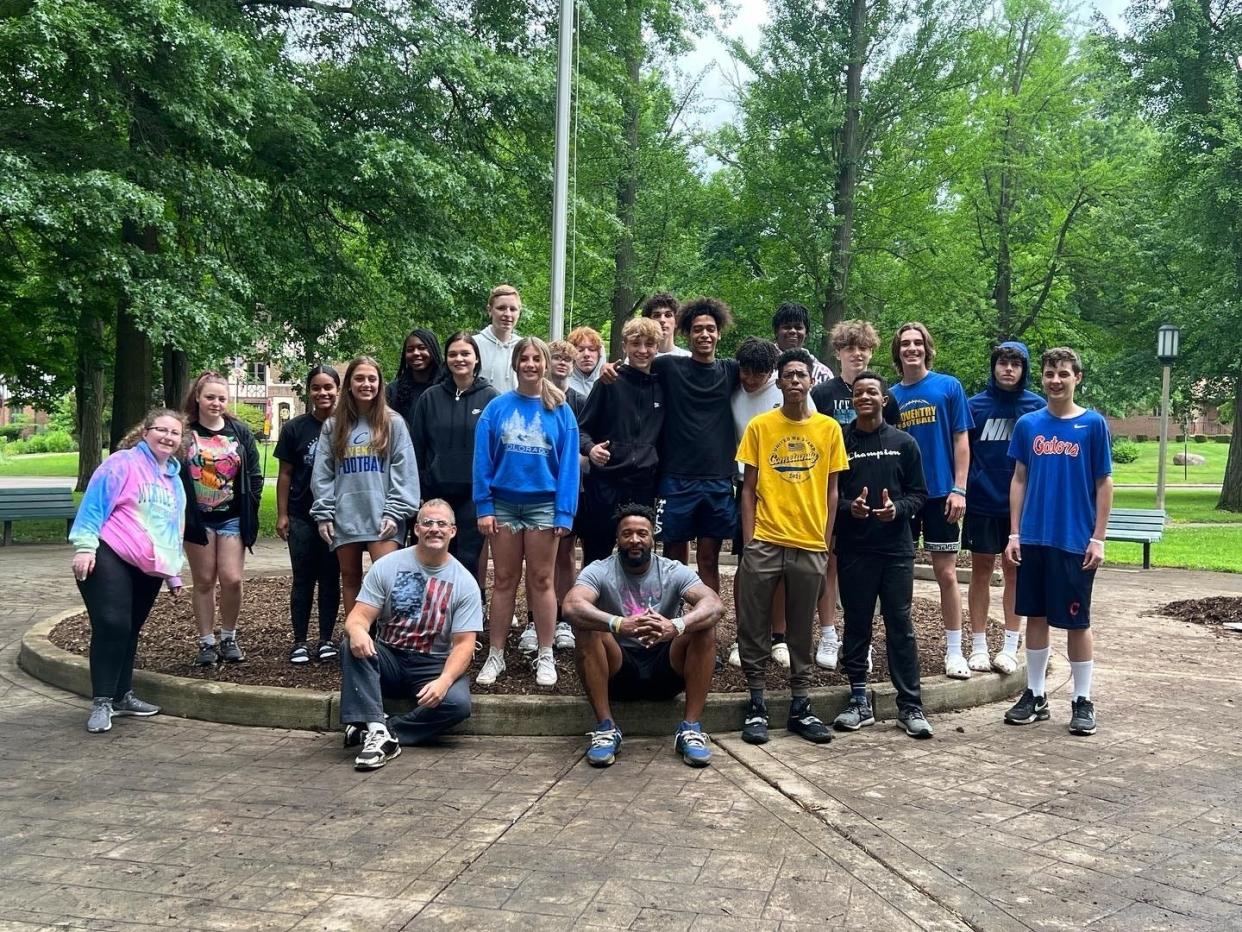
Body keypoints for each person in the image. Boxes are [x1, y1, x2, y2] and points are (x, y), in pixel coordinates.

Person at [737, 348, 848, 745]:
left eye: (802, 374)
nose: (796, 381)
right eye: (789, 375)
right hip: (766, 540)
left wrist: (824, 541)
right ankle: (756, 704)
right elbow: (747, 489)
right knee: (754, 624)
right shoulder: (760, 427)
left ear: (810, 381)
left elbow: (834, 493)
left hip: (809, 543)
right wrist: (750, 542)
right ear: (779, 383)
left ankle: (801, 705)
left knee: (802, 627)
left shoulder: (829, 430)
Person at [1004, 348, 1112, 737]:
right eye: (1050, 373)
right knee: (1036, 615)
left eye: (1063, 373)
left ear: (1077, 378)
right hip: (1033, 537)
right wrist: (1014, 533)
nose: (1055, 380)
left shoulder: (1093, 425)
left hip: (1074, 540)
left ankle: (1082, 699)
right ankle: (1035, 694)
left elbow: (1104, 483)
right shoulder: (1028, 425)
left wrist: (1098, 538)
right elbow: (1019, 479)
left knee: (1077, 621)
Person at [564, 504, 723, 768]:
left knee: (704, 626)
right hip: (617, 668)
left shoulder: (673, 570)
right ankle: (606, 729)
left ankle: (690, 729)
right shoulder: (600, 570)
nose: (635, 540)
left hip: (666, 665)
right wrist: (618, 624)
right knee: (587, 626)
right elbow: (571, 606)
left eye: (642, 533)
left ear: (653, 539)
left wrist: (676, 626)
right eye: (627, 534)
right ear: (617, 539)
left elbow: (714, 604)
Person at [338, 499, 483, 770]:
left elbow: (465, 645)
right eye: (428, 522)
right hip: (390, 656)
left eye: (442, 524)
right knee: (350, 644)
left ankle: (379, 730)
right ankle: (377, 731)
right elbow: (358, 617)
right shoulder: (388, 566)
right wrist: (357, 631)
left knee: (457, 704)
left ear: (453, 531)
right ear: (416, 529)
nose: (434, 529)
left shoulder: (464, 582)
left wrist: (444, 681)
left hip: (433, 664)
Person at [70, 408, 187, 733]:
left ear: (180, 440)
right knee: (113, 624)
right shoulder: (122, 463)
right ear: (145, 431)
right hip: (110, 553)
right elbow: (95, 504)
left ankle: (123, 696)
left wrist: (172, 573)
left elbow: (172, 528)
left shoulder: (174, 480)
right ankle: (102, 701)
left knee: (130, 628)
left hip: (148, 568)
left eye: (174, 433)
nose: (167, 437)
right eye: (161, 430)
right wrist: (84, 547)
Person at [830, 372, 933, 739]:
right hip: (855, 549)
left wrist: (898, 511)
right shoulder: (840, 442)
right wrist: (849, 508)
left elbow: (919, 494)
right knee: (857, 623)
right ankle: (858, 700)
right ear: (853, 401)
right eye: (858, 393)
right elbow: (830, 495)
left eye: (872, 391)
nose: (865, 397)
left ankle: (910, 706)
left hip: (895, 550)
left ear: (884, 399)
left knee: (900, 626)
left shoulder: (904, 443)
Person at [473, 337, 580, 688]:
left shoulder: (560, 409)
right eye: (525, 358)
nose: (531, 364)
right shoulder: (497, 408)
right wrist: (484, 505)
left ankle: (545, 653)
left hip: (544, 506)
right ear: (515, 364)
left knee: (542, 580)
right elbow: (482, 460)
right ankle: (496, 654)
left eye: (537, 359)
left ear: (546, 364)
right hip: (503, 505)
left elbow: (568, 467)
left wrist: (564, 513)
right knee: (503, 580)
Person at [809, 319, 898, 670]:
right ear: (838, 353)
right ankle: (829, 634)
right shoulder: (822, 394)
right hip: (832, 491)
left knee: (864, 569)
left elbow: (891, 440)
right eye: (849, 347)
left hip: (871, 491)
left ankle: (861, 639)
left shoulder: (881, 393)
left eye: (863, 347)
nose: (857, 353)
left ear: (871, 351)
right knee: (828, 563)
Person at [888, 322, 975, 679]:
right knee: (899, 575)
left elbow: (961, 441)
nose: (912, 348)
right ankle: (902, 648)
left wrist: (960, 488)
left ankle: (954, 651)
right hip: (905, 497)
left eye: (918, 343)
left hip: (942, 494)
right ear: (897, 352)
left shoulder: (948, 387)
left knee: (946, 573)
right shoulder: (889, 396)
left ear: (927, 347)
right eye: (905, 344)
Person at [311, 356, 420, 616]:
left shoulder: (393, 423)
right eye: (359, 378)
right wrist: (324, 514)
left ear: (380, 384)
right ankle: (355, 639)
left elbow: (404, 472)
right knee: (350, 578)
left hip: (383, 515)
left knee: (386, 579)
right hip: (346, 514)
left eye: (372, 379)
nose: (366, 384)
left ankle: (387, 642)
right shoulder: (333, 426)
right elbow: (323, 474)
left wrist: (395, 511)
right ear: (348, 384)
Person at [725, 337, 808, 670]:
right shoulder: (732, 392)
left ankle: (779, 636)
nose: (749, 379)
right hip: (745, 487)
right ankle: (744, 635)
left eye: (757, 374)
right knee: (748, 563)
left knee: (783, 567)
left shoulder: (786, 392)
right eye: (744, 372)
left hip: (786, 489)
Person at [964, 342, 1045, 674]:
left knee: (1015, 573)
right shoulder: (974, 407)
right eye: (1002, 362)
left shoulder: (1037, 408)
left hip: (1022, 509)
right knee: (980, 571)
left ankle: (1010, 646)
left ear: (1024, 369)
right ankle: (979, 646)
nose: (1008, 369)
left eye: (1015, 363)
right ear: (993, 367)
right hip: (982, 502)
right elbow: (962, 452)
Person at [650, 296, 740, 594]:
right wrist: (609, 370)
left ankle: (706, 627)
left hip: (718, 479)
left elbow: (766, 376)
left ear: (719, 332)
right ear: (687, 333)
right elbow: (633, 365)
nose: (705, 334)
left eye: (710, 328)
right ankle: (671, 621)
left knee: (708, 559)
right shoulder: (668, 367)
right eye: (698, 329)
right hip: (676, 478)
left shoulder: (731, 371)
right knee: (673, 559)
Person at [182, 372, 263, 666]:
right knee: (203, 580)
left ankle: (228, 636)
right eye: (210, 397)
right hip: (198, 519)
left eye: (221, 398)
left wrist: (250, 505)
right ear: (198, 399)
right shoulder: (184, 432)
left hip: (231, 518)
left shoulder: (238, 432)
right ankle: (206, 641)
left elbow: (254, 474)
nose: (215, 403)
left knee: (231, 578)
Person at [410, 332, 499, 588]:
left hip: (475, 494)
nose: (459, 359)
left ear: (476, 358)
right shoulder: (430, 397)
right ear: (446, 359)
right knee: (433, 555)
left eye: (465, 353)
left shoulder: (491, 398)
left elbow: (496, 450)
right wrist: (423, 487)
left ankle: (469, 618)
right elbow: (418, 446)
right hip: (437, 492)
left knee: (468, 559)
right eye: (453, 354)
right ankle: (432, 616)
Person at [577, 317, 664, 566]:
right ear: (625, 345)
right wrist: (591, 449)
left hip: (643, 485)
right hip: (606, 482)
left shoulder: (662, 385)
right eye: (636, 344)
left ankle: (636, 605)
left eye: (649, 344)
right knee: (597, 552)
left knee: (638, 552)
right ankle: (591, 603)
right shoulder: (608, 382)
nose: (643, 350)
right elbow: (581, 430)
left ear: (657, 347)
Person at [275, 366, 343, 664]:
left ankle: (327, 639)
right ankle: (300, 641)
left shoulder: (347, 426)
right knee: (303, 578)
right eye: (316, 387)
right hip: (302, 513)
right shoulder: (295, 429)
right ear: (309, 391)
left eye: (328, 387)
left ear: (338, 390)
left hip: (337, 516)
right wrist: (282, 514)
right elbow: (285, 474)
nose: (322, 393)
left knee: (331, 578)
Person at [544, 338, 589, 653]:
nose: (562, 363)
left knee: (566, 555)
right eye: (556, 357)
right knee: (539, 561)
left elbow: (588, 443)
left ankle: (565, 618)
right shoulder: (537, 398)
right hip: (541, 489)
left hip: (573, 488)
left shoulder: (580, 400)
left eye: (567, 359)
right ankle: (538, 619)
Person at [386, 328, 443, 437]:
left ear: (433, 350)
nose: (416, 353)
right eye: (410, 349)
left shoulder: (447, 387)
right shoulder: (393, 391)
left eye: (422, 348)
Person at [476, 284, 523, 393]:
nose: (507, 314)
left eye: (513, 309)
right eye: (501, 308)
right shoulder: (473, 345)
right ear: (489, 310)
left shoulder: (524, 347)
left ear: (519, 313)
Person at [771, 302, 833, 384]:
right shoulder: (761, 365)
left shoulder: (822, 373)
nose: (793, 331)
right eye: (787, 327)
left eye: (798, 327)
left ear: (806, 333)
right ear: (776, 331)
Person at [641, 292, 690, 357]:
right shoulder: (638, 358)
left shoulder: (688, 359)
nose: (662, 320)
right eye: (657, 315)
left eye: (668, 315)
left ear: (677, 322)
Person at [567, 325, 605, 397]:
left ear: (600, 353)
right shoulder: (563, 386)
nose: (586, 354)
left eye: (592, 349)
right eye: (580, 350)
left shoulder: (610, 384)